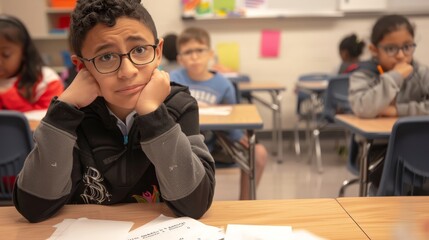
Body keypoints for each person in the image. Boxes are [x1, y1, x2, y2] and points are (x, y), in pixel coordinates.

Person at [13, 0, 215, 223]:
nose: (127, 72)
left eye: (139, 50)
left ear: (157, 52)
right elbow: (34, 207)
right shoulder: (71, 116)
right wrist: (64, 113)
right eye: (106, 57)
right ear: (81, 67)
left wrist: (153, 114)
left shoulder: (179, 105)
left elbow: (195, 203)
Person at [170, 27, 268, 200]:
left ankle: (245, 204)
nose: (194, 56)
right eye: (188, 52)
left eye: (199, 50)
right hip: (181, 143)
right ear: (180, 59)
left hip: (216, 141)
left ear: (210, 54)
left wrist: (237, 134)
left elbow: (234, 114)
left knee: (258, 153)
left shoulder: (223, 84)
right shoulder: (173, 79)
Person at [348, 14, 429, 189]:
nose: (401, 55)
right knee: (398, 174)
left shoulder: (421, 73)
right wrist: (395, 77)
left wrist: (398, 110)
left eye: (407, 47)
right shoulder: (363, 74)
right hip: (377, 151)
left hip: (420, 145)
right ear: (374, 50)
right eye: (391, 49)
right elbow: (363, 108)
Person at [0, 14, 63, 112]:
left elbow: (51, 119)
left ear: (24, 52)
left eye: (6, 54)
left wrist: (7, 94)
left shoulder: (46, 80)